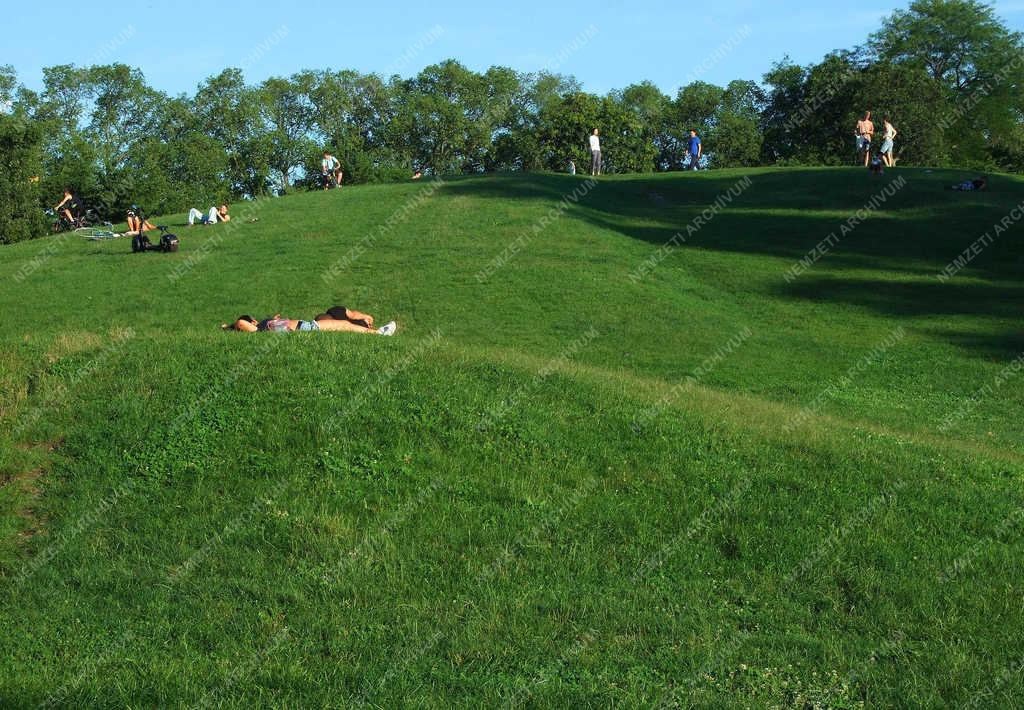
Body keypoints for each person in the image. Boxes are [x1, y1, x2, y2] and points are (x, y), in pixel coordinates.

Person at [222, 305, 397, 335]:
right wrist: (232, 325)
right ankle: (379, 334)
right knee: (344, 324)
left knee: (344, 325)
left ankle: (377, 332)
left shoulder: (264, 324)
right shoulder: (250, 325)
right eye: (253, 320)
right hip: (302, 328)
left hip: (303, 326)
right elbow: (244, 325)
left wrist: (275, 321)